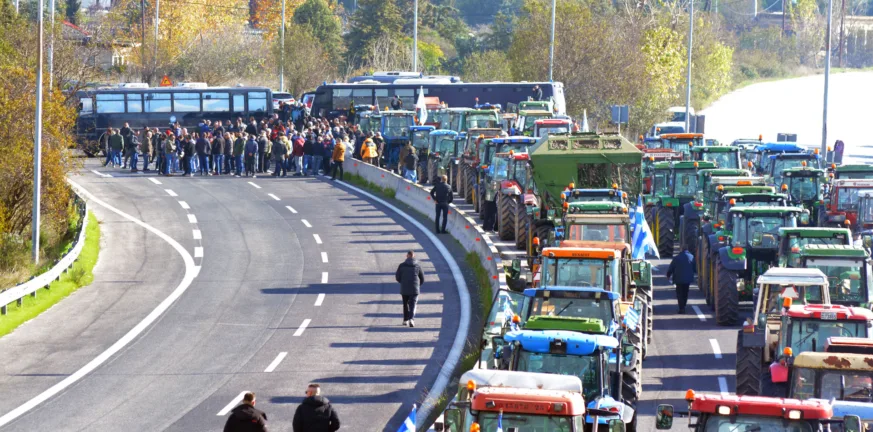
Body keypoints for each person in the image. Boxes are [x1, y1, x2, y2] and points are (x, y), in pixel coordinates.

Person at [395, 250, 424, 327]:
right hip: (414, 288)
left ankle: (405, 320)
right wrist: (418, 285)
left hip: (404, 288)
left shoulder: (401, 265)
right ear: (414, 256)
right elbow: (422, 278)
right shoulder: (417, 266)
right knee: (413, 304)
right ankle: (411, 319)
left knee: (405, 304)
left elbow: (397, 277)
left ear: (406, 256)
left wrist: (403, 282)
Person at [666, 246, 695, 314]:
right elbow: (694, 268)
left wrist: (668, 275)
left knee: (679, 294)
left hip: (678, 279)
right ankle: (684, 305)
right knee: (685, 293)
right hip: (688, 279)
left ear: (681, 249)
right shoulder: (691, 257)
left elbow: (671, 267)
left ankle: (681, 308)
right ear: (687, 250)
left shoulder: (676, 258)